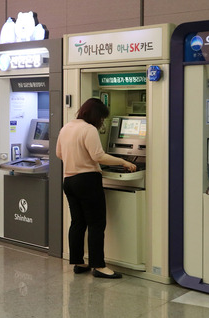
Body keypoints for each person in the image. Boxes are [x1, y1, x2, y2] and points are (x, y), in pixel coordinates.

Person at [56, 98, 137, 279]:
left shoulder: (66, 127)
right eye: (101, 118)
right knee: (96, 224)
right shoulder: (88, 129)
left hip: (69, 180)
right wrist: (123, 161)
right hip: (87, 180)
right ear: (96, 115)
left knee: (77, 222)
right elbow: (98, 155)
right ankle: (99, 266)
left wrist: (76, 158)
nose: (101, 122)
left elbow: (59, 153)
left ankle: (78, 262)